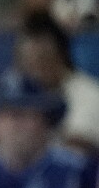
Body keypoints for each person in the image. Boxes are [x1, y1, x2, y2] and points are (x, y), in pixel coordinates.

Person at [15, 10, 99, 151]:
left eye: (41, 59)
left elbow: (79, 147)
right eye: (27, 62)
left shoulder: (90, 94)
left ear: (60, 56)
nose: (34, 71)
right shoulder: (19, 93)